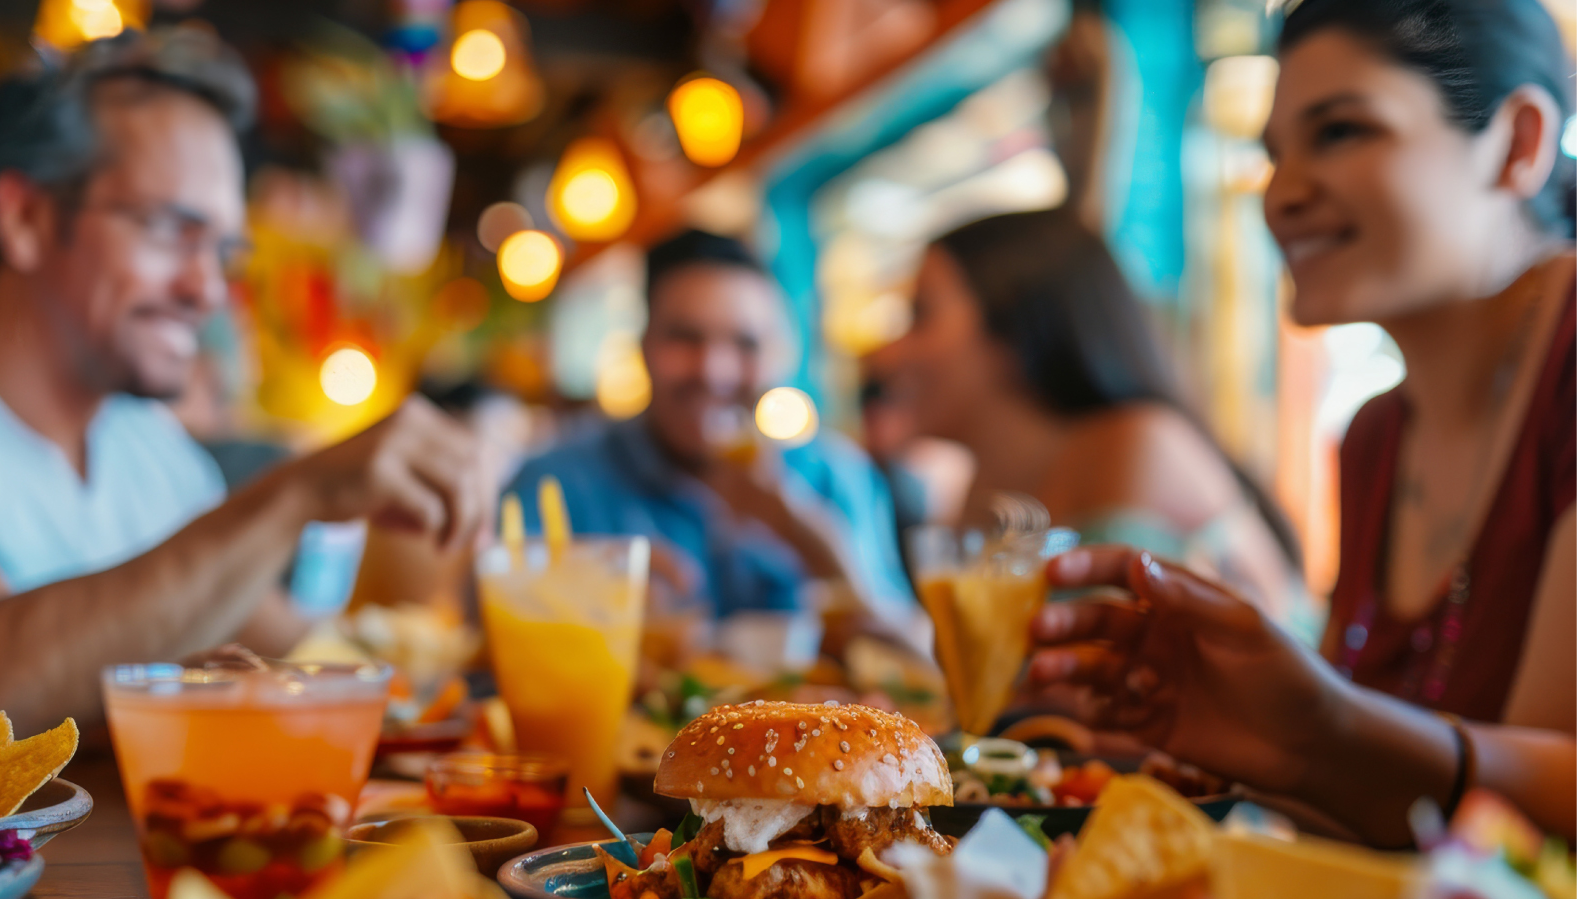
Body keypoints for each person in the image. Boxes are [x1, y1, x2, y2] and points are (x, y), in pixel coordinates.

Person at [1027, 0, 1575, 844]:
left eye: (1343, 132)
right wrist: (1195, 739)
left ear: (1518, 143)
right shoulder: (1373, 441)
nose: (1280, 197)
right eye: (1272, 155)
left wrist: (1319, 729)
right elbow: (1371, 814)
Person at [0, 29, 484, 736]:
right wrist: (298, 492)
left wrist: (475, 602)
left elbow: (274, 645)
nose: (208, 289)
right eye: (170, 229)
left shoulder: (146, 448)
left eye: (223, 250)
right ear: (25, 217)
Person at [869, 208, 1307, 628]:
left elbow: (1098, 685)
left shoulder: (1136, 444)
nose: (885, 355)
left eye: (919, 316)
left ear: (1011, 323)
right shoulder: (983, 488)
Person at [506, 230, 918, 636]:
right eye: (685, 338)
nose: (714, 371)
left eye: (745, 344)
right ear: (643, 346)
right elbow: (491, 632)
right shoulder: (558, 481)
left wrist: (815, 542)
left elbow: (918, 664)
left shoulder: (838, 478)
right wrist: (593, 591)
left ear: (780, 357)